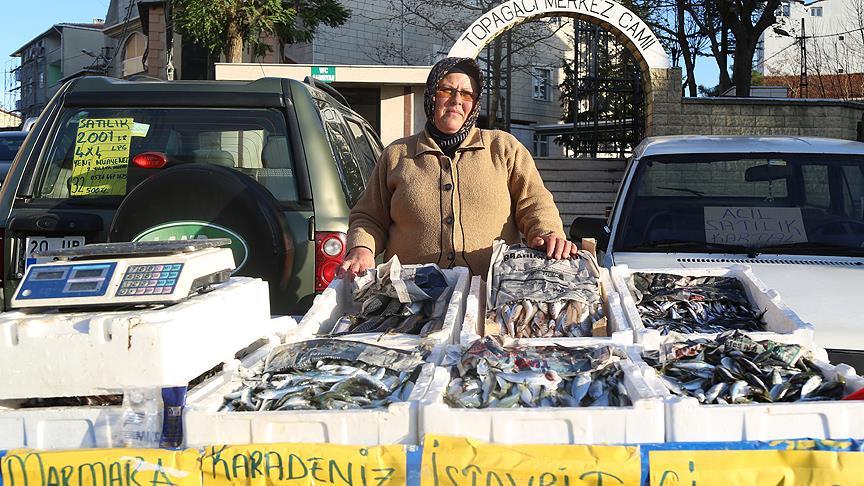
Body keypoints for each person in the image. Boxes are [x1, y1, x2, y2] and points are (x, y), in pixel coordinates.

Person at [338, 56, 576, 280]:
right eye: (446, 90)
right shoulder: (397, 154)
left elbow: (535, 203)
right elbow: (369, 217)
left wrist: (547, 232)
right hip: (410, 294)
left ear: (475, 104)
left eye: (466, 94)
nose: (456, 101)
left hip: (486, 292)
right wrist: (362, 248)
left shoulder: (503, 147)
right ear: (431, 95)